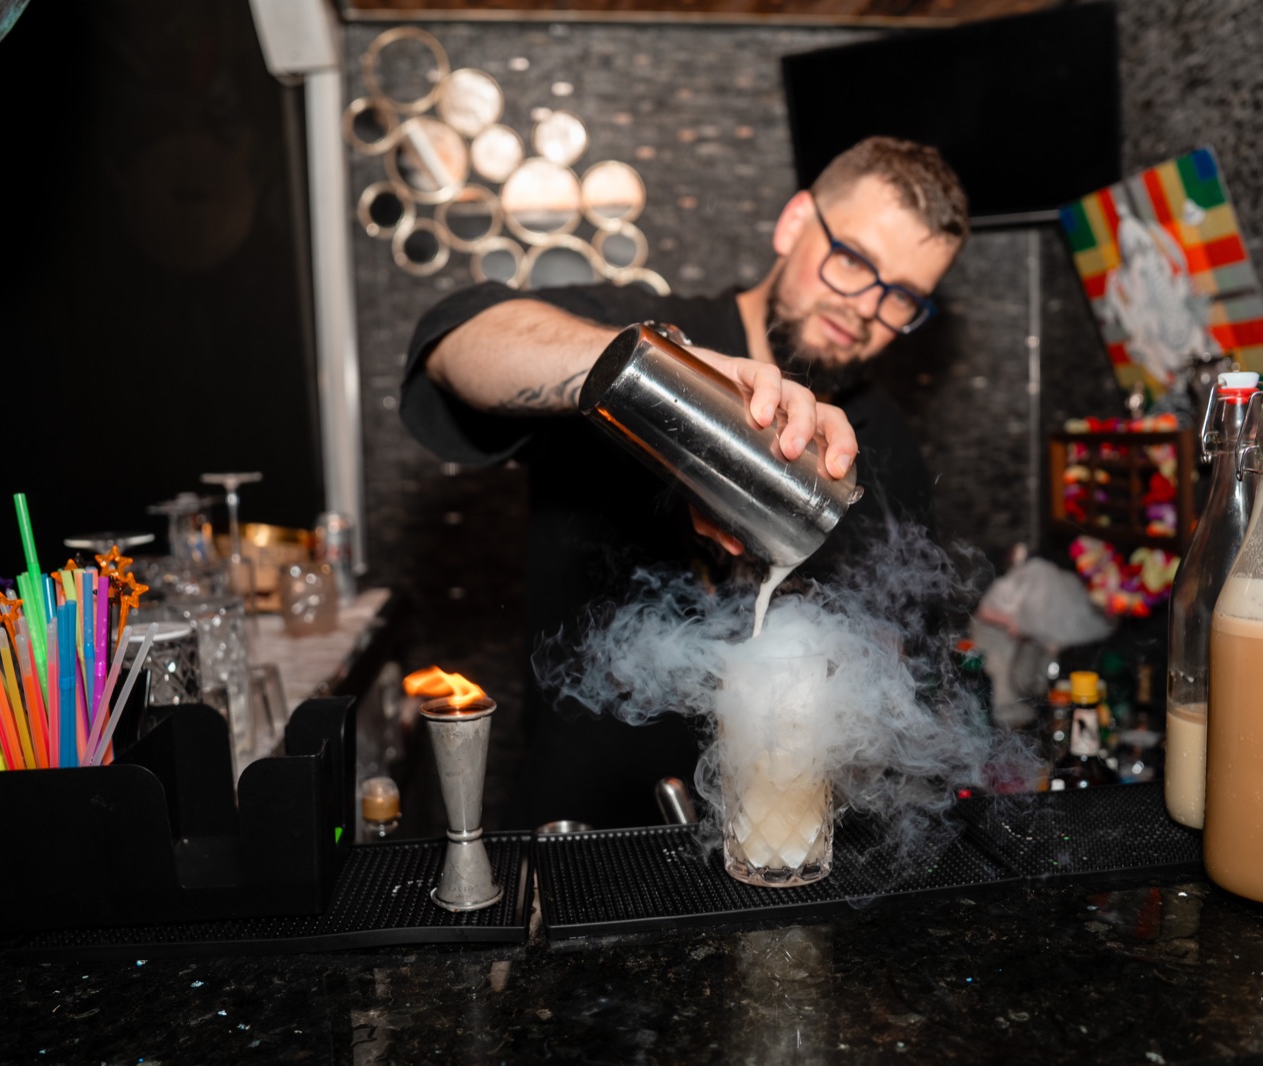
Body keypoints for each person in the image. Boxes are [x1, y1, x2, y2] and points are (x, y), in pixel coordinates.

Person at [401, 136, 970, 829]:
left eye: (902, 297)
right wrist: (672, 380)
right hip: (589, 837)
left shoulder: (883, 444)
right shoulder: (663, 337)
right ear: (795, 223)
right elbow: (456, 343)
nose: (864, 307)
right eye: (852, 260)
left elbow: (910, 665)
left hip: (780, 842)